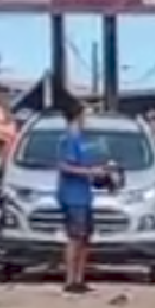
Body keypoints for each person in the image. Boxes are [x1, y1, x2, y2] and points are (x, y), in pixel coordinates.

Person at [58, 101, 103, 295]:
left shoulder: (81, 140)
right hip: (73, 196)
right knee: (75, 238)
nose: (88, 121)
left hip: (85, 196)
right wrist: (88, 172)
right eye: (86, 116)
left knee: (84, 238)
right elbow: (65, 166)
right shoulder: (69, 139)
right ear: (77, 117)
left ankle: (80, 278)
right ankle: (70, 280)